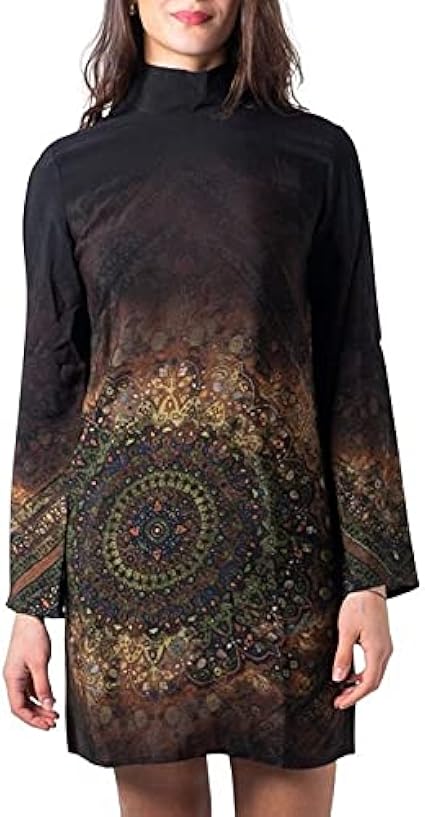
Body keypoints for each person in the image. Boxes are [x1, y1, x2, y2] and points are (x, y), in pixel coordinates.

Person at [2, 1, 420, 816]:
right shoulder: (68, 171)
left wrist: (368, 578)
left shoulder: (317, 156)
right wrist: (29, 603)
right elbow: (51, 387)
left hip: (289, 562)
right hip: (128, 578)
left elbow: (352, 364)